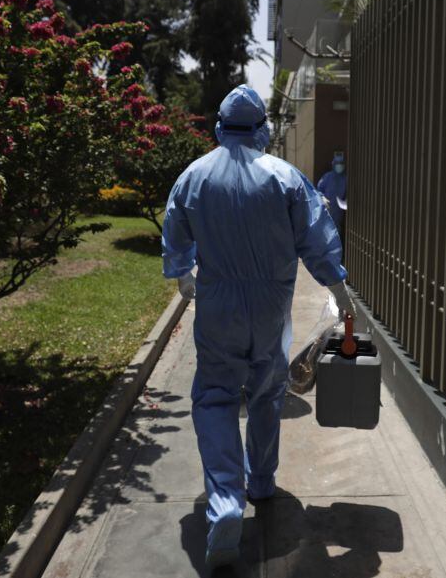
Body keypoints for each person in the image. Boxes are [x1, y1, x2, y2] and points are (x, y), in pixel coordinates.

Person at [162, 85, 356, 569]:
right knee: (268, 391)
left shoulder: (194, 176)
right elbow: (317, 238)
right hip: (271, 304)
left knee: (215, 396)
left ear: (221, 125)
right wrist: (339, 287)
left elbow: (176, 234)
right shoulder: (285, 178)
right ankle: (262, 480)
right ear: (262, 128)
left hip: (218, 302)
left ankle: (225, 502)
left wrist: (185, 275)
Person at [316, 152, 348, 229]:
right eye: (337, 163)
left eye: (341, 163)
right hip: (326, 208)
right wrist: (322, 198)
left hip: (338, 211)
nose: (339, 165)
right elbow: (318, 190)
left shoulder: (346, 179)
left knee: (336, 230)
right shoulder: (327, 177)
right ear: (333, 164)